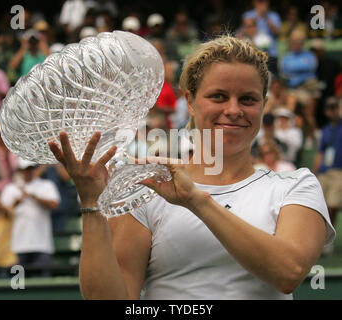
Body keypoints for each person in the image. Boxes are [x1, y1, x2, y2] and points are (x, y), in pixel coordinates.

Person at [48, 35, 335, 300]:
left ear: (264, 105)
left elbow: (288, 272)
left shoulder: (297, 185)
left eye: (248, 99)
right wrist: (91, 203)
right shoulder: (147, 190)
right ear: (191, 102)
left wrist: (196, 202)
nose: (233, 110)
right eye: (218, 96)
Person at [0, 158, 60, 277]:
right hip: (17, 247)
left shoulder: (46, 185)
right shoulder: (11, 189)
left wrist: (32, 196)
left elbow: (54, 205)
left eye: (30, 169)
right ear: (20, 171)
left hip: (42, 246)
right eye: (25, 169)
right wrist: (16, 202)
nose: (28, 172)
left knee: (42, 287)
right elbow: (4, 213)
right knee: (17, 286)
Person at [313, 97, 342, 254]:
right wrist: (315, 172)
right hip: (324, 172)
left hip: (339, 171)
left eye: (335, 107)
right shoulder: (325, 130)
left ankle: (328, 240)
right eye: (330, 108)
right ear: (326, 111)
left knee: (332, 205)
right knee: (320, 206)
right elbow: (321, 152)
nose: (333, 111)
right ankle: (320, 238)